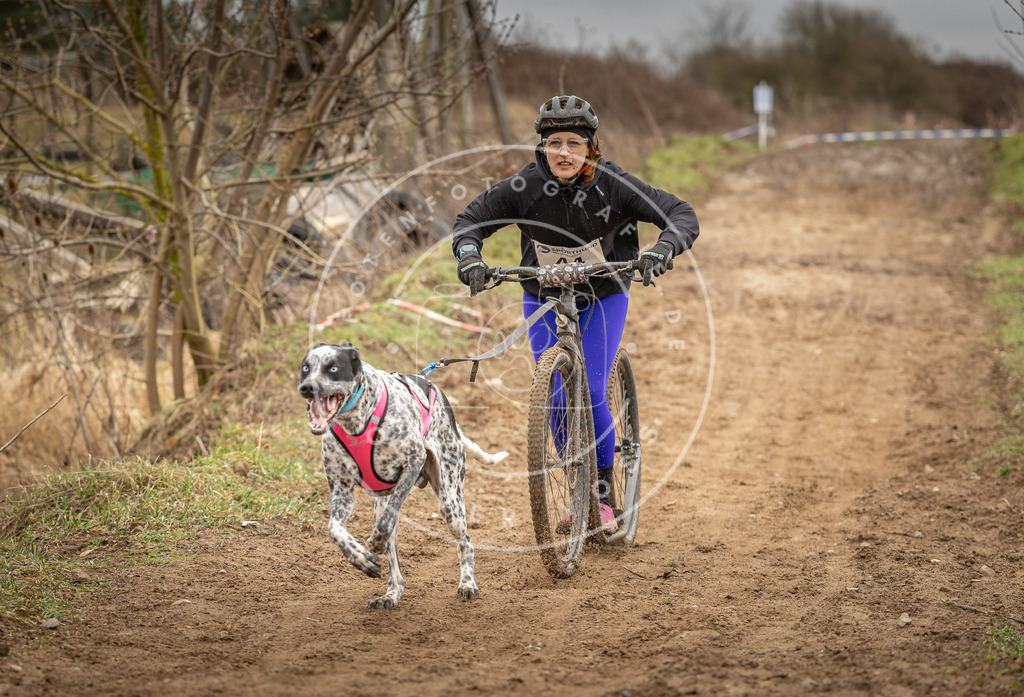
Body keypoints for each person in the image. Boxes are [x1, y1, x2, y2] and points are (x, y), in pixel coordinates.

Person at [451, 95, 699, 533]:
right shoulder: (525, 187)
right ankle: (576, 487)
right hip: (544, 295)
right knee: (557, 397)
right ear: (541, 147)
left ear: (591, 148)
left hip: (605, 293)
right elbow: (471, 219)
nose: (563, 152)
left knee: (591, 392)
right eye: (553, 143)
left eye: (574, 143)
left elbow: (679, 213)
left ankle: (604, 500)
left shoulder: (613, 184)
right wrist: (469, 255)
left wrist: (662, 248)